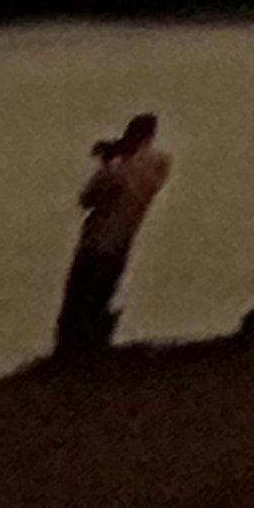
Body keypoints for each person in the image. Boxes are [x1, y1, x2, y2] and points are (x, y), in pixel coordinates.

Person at [56, 114, 169, 363]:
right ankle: (93, 344)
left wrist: (108, 163)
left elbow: (87, 197)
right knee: (103, 293)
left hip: (97, 239)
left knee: (81, 296)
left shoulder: (118, 168)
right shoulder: (158, 164)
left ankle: (74, 350)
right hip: (123, 239)